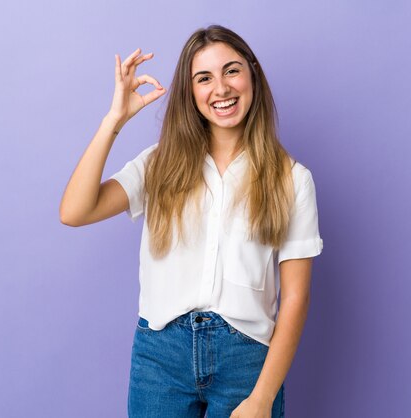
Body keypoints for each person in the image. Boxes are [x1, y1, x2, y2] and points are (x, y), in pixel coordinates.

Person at [60, 24, 323, 418]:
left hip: (247, 360)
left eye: (231, 70)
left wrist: (263, 398)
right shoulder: (158, 164)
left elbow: (296, 299)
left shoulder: (292, 179)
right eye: (204, 78)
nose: (221, 88)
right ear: (191, 92)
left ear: (252, 74)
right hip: (160, 359)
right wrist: (114, 119)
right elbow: (75, 211)